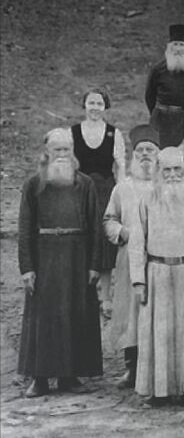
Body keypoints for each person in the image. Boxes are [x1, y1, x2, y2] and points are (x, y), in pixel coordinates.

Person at [129, 147, 184, 405]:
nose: (172, 175)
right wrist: (138, 281)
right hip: (157, 274)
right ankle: (160, 391)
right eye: (166, 170)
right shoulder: (147, 200)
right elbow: (136, 242)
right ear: (158, 172)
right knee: (159, 334)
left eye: (177, 169)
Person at [17, 128, 103, 398]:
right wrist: (27, 268)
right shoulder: (33, 184)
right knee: (44, 318)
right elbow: (24, 229)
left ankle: (69, 376)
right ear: (47, 152)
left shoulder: (85, 184)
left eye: (67, 149)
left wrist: (94, 264)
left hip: (77, 257)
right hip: (45, 259)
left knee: (75, 314)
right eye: (57, 149)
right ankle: (40, 378)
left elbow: (95, 226)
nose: (63, 154)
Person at [103, 125, 160, 390]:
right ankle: (132, 368)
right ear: (133, 155)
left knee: (156, 311)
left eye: (150, 150)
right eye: (140, 150)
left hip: (160, 258)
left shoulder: (167, 185)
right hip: (129, 257)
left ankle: (156, 367)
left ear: (158, 155)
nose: (145, 154)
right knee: (131, 311)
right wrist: (122, 232)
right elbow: (109, 219)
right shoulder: (122, 188)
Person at [71, 88, 126, 314]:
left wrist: (122, 192)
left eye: (99, 103)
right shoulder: (73, 132)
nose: (95, 108)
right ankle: (85, 295)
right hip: (80, 190)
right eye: (91, 103)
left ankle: (106, 298)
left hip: (105, 191)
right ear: (84, 105)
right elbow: (69, 164)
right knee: (82, 237)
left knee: (103, 240)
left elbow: (121, 164)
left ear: (105, 107)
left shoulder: (114, 133)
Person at [145, 24, 184, 148]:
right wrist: (157, 114)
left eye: (182, 45)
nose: (178, 49)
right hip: (161, 120)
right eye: (175, 44)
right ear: (169, 47)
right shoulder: (158, 70)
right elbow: (149, 96)